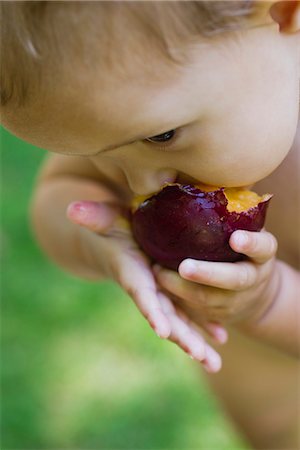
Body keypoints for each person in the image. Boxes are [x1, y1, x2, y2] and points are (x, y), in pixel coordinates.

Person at [1, 1, 299, 448]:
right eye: (94, 153)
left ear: (280, 14)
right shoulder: (132, 112)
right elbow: (55, 199)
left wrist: (271, 301)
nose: (139, 184)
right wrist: (98, 244)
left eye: (161, 136)